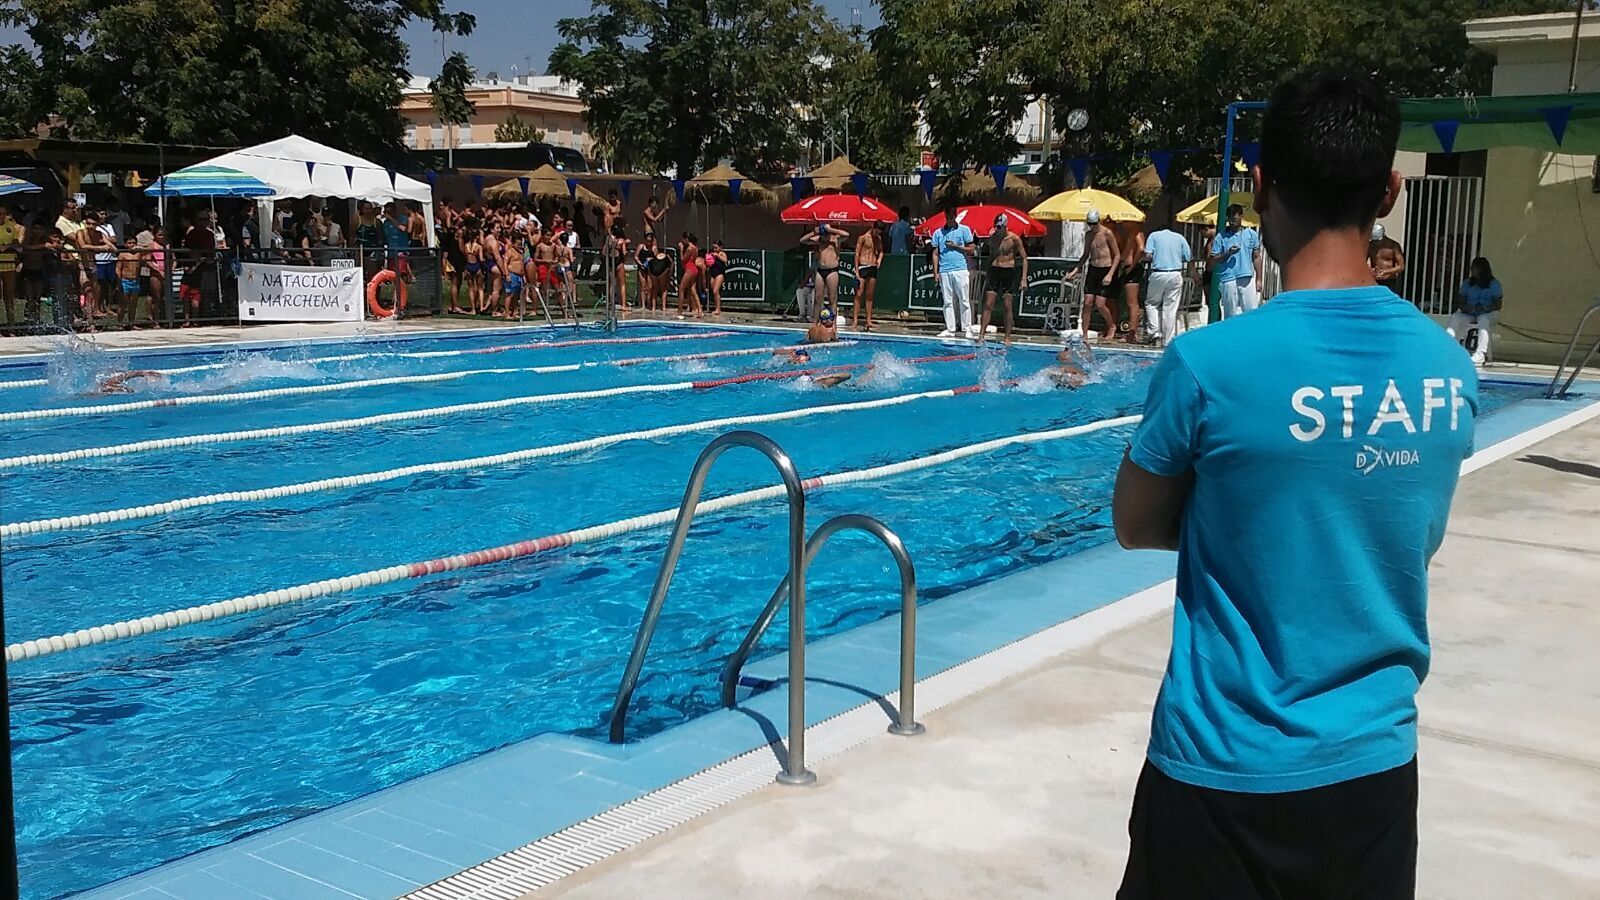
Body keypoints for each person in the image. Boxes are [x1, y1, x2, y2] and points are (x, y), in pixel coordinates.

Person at [1111, 70, 1478, 900]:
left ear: (1260, 185)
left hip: (1221, 769)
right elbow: (1405, 526)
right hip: (1372, 772)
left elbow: (1134, 524)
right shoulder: (1448, 371)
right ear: (1387, 190)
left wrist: (1240, 514)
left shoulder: (1209, 364)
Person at [979, 214, 1027, 346]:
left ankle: (1007, 337)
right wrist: (987, 273)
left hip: (1008, 272)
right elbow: (991, 256)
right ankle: (981, 335)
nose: (997, 229)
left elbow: (1024, 258)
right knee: (988, 304)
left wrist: (1023, 279)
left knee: (1007, 306)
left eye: (999, 227)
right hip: (995, 271)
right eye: (996, 226)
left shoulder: (1014, 239)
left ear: (1005, 226)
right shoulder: (993, 238)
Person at [1142, 216, 1191, 346]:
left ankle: (1155, 333)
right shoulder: (1180, 237)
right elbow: (1187, 256)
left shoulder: (1153, 236)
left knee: (1151, 303)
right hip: (1175, 273)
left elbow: (1148, 255)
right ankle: (1167, 340)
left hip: (1159, 273)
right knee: (1170, 307)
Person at [930, 201, 976, 337]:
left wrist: (956, 246)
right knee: (948, 300)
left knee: (963, 299)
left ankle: (966, 327)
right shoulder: (938, 233)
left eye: (951, 216)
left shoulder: (964, 230)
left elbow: (971, 249)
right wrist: (935, 272)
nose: (949, 219)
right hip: (945, 270)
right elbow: (935, 253)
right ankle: (950, 328)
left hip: (960, 269)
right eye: (947, 217)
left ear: (955, 216)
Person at [1208, 203, 1262, 318]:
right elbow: (1214, 259)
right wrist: (1228, 253)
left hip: (1246, 277)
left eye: (1235, 219)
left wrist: (1259, 279)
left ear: (1241, 217)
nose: (1232, 222)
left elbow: (1256, 257)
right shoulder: (1221, 237)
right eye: (1230, 219)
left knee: (1251, 312)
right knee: (1230, 314)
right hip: (1228, 278)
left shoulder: (1251, 234)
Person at [1447, 256, 1502, 365]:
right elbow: (1461, 301)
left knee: (1483, 320)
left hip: (1489, 313)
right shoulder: (1467, 283)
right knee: (1456, 317)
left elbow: (1498, 304)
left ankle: (1480, 354)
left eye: (1474, 268)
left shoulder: (1494, 284)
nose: (1471, 270)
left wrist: (1484, 308)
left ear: (1481, 269)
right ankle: (1447, 347)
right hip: (1470, 312)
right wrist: (1466, 308)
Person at [1079, 209, 1120, 339]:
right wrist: (1076, 269)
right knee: (1087, 303)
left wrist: (1110, 274)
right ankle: (1084, 334)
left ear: (1099, 221)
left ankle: (1112, 325)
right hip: (1093, 269)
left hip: (1105, 269)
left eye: (1094, 224)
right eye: (1089, 224)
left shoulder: (1107, 233)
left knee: (1100, 304)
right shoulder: (1088, 235)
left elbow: (1117, 255)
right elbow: (1085, 255)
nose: (1092, 226)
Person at [801, 223, 848, 322]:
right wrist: (813, 232)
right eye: (822, 236)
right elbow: (803, 240)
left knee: (832, 299)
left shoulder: (835, 239)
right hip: (820, 270)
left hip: (832, 271)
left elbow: (846, 235)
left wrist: (831, 229)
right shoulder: (819, 239)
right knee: (818, 298)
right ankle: (814, 323)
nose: (824, 238)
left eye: (825, 236)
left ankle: (833, 325)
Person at [1113, 218, 1146, 340]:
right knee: (1129, 302)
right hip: (1128, 268)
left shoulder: (1136, 233)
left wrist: (1132, 266)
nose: (1124, 224)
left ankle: (1133, 333)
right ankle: (1132, 333)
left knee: (1132, 303)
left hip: (1132, 268)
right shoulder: (1131, 234)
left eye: (1126, 222)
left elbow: (1141, 249)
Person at [853, 223, 882, 331]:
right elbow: (856, 254)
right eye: (876, 231)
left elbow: (881, 251)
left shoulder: (878, 239)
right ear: (873, 228)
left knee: (870, 295)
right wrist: (856, 271)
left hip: (873, 266)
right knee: (859, 294)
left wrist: (879, 258)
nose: (877, 234)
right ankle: (855, 320)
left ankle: (868, 320)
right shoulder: (863, 237)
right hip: (862, 266)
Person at [0, 205, 24, 328]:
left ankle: (11, 325)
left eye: (3, 213)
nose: (1, 216)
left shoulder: (10, 226)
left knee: (9, 296)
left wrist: (7, 247)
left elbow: (17, 244)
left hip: (8, 263)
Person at [115, 237, 146, 328]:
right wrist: (119, 280)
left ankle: (131, 323)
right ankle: (120, 323)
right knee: (123, 303)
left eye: (134, 243)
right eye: (130, 243)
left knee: (133, 303)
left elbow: (148, 252)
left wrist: (140, 248)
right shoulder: (122, 255)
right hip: (125, 280)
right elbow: (118, 268)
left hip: (135, 281)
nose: (132, 245)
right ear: (125, 244)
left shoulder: (139, 254)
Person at [1369, 223, 1406, 295]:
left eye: (1377, 241)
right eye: (1374, 240)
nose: (1376, 243)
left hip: (1389, 281)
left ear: (1383, 236)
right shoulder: (1370, 245)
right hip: (1375, 281)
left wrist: (1386, 271)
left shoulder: (1393, 246)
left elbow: (1401, 266)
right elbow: (1362, 261)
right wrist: (1370, 271)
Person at [677, 232, 703, 319]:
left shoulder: (689, 249)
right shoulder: (695, 248)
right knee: (693, 290)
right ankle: (700, 310)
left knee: (681, 288)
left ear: (686, 239)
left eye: (683, 240)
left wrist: (681, 250)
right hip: (693, 269)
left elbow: (683, 261)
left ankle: (679, 311)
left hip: (689, 270)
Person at [705, 240, 728, 317]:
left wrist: (717, 256)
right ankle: (716, 307)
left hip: (719, 275)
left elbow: (725, 260)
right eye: (713, 248)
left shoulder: (722, 253)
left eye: (716, 248)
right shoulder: (712, 254)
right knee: (714, 292)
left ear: (720, 247)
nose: (714, 249)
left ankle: (718, 309)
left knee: (715, 291)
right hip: (713, 274)